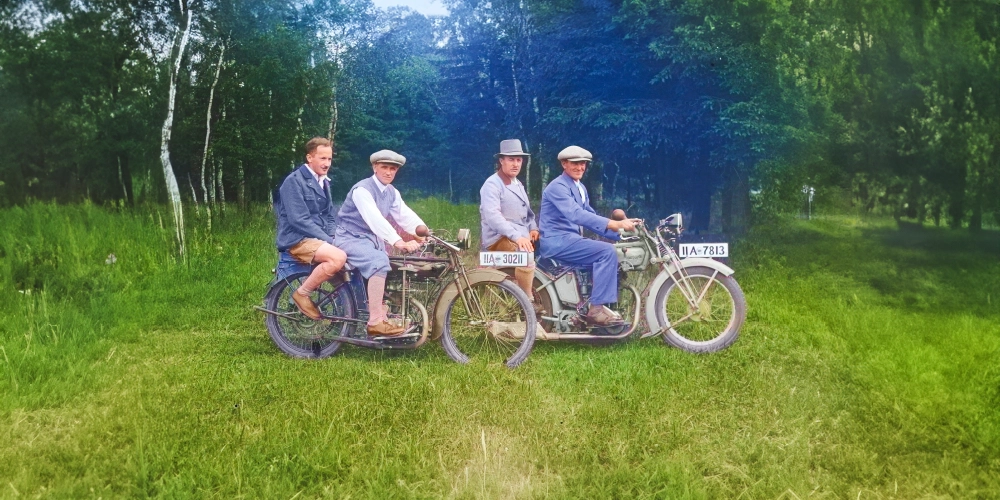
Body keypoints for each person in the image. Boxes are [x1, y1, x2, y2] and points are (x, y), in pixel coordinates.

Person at [538, 145, 636, 326]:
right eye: (575, 163)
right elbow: (576, 214)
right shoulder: (557, 187)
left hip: (570, 240)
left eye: (583, 164)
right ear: (564, 163)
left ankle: (592, 308)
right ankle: (596, 309)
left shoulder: (579, 187)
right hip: (558, 242)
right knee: (606, 252)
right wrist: (614, 223)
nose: (580, 167)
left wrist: (622, 235)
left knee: (613, 250)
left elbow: (591, 217)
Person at [335, 150, 426, 336]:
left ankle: (386, 313)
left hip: (371, 240)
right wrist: (399, 241)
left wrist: (423, 232)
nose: (388, 172)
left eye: (393, 169)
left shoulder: (391, 192)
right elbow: (375, 219)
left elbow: (405, 215)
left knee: (393, 266)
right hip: (350, 239)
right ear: (374, 167)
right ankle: (375, 321)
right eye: (384, 167)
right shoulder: (362, 190)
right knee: (379, 262)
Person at [275, 137, 348, 320]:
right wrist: (329, 240)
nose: (327, 164)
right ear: (309, 157)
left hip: (316, 237)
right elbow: (299, 220)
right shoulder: (293, 182)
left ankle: (347, 309)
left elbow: (329, 214)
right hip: (297, 239)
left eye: (329, 159)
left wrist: (334, 235)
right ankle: (302, 293)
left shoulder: (323, 180)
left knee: (354, 250)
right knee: (338, 257)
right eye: (322, 158)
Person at [479, 139, 540, 306]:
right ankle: (527, 302)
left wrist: (533, 228)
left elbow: (526, 212)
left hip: (520, 234)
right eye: (511, 159)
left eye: (519, 160)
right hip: (498, 240)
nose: (515, 164)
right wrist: (517, 237)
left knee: (550, 251)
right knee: (525, 256)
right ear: (501, 160)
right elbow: (493, 217)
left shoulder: (517, 183)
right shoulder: (492, 184)